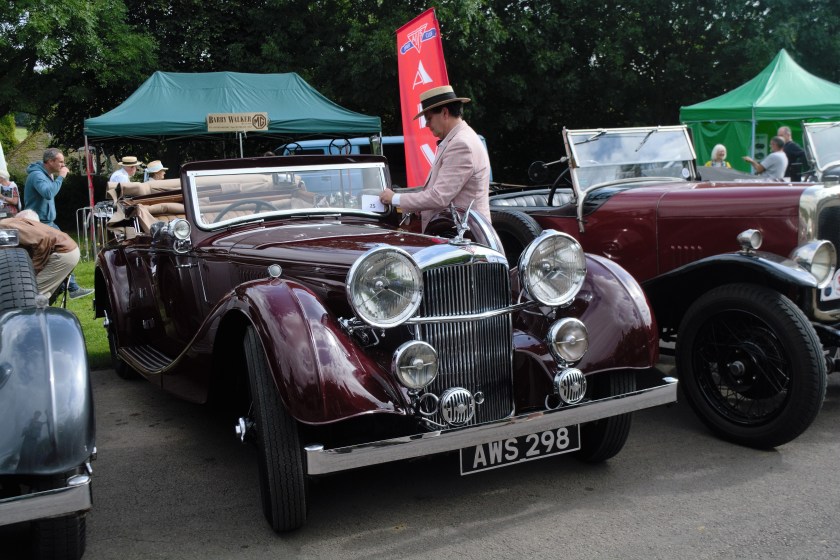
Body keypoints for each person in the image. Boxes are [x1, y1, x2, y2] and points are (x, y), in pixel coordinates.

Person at [379, 85, 491, 231]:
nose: (426, 124)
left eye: (429, 118)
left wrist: (394, 198)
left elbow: (439, 197)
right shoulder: (459, 139)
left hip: (463, 235)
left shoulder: (460, 144)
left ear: (445, 113)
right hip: (461, 232)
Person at [23, 148, 93, 298]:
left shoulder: (46, 174)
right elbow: (48, 193)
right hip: (39, 224)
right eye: (60, 161)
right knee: (64, 250)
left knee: (65, 249)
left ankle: (70, 287)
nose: (63, 165)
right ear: (50, 161)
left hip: (47, 222)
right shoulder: (37, 176)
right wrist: (61, 177)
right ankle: (63, 288)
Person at [0, 209, 80, 299]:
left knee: (27, 292)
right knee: (30, 292)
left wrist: (34, 269)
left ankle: (38, 306)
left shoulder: (5, 226)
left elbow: (43, 239)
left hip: (62, 253)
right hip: (62, 251)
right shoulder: (6, 226)